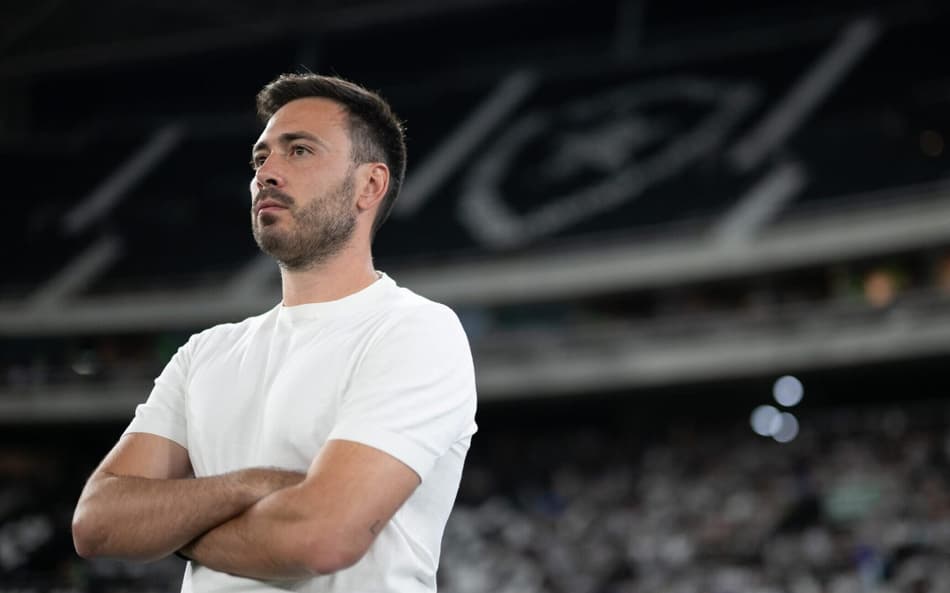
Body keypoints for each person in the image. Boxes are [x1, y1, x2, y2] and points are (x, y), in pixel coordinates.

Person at [71, 72, 478, 593]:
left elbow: (321, 539)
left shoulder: (415, 331)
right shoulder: (204, 353)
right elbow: (96, 522)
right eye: (260, 159)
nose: (266, 173)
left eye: (299, 151)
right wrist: (252, 485)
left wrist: (170, 529)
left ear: (369, 186)